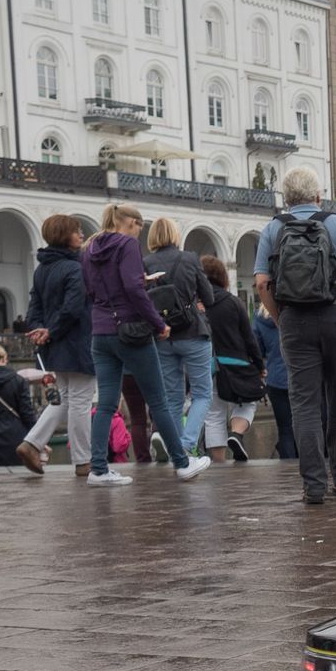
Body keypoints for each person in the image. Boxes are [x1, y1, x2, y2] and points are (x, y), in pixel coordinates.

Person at [254, 166, 336, 506]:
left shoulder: (272, 229)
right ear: (319, 196)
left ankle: (313, 485)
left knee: (304, 402)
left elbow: (262, 283)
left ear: (286, 199)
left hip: (295, 320)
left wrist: (280, 318)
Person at [81, 202, 207, 487]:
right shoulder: (126, 244)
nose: (139, 234)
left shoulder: (89, 248)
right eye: (139, 227)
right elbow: (133, 290)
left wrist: (136, 281)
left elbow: (90, 289)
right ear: (131, 223)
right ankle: (182, 462)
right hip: (130, 331)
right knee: (159, 400)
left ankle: (98, 469)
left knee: (106, 404)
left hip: (100, 332)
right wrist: (158, 323)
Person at [16, 213, 94, 476]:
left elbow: (34, 307)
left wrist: (40, 330)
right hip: (78, 342)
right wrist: (50, 330)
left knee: (65, 399)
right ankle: (83, 460)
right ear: (64, 235)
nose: (81, 235)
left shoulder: (42, 269)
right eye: (76, 231)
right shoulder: (75, 268)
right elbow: (73, 309)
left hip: (56, 346)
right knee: (81, 402)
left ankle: (32, 442)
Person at [143, 217, 214, 463]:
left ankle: (173, 446)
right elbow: (209, 297)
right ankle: (185, 445)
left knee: (171, 396)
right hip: (193, 332)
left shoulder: (146, 263)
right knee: (203, 394)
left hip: (163, 336)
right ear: (175, 234)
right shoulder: (190, 259)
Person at [199, 255, 266, 462]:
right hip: (236, 364)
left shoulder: (197, 303)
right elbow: (249, 338)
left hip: (208, 366)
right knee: (248, 401)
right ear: (222, 276)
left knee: (213, 415)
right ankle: (236, 433)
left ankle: (218, 463)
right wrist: (259, 364)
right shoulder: (233, 302)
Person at [252, 304, 295, 460]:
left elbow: (257, 348)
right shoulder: (297, 310)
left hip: (276, 378)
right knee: (308, 423)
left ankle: (289, 465)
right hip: (302, 375)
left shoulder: (260, 317)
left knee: (285, 428)